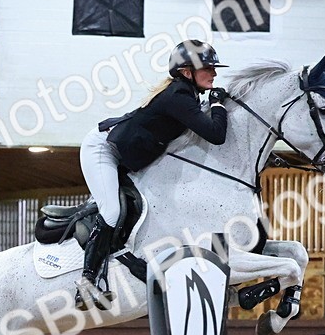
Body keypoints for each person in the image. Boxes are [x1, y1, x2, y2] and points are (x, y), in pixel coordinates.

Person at [76, 39, 230, 307]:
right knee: (111, 211)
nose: (214, 73)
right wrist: (218, 105)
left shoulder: (187, 95)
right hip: (103, 149)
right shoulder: (178, 96)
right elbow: (216, 135)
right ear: (186, 72)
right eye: (208, 68)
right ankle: (87, 283)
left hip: (126, 155)